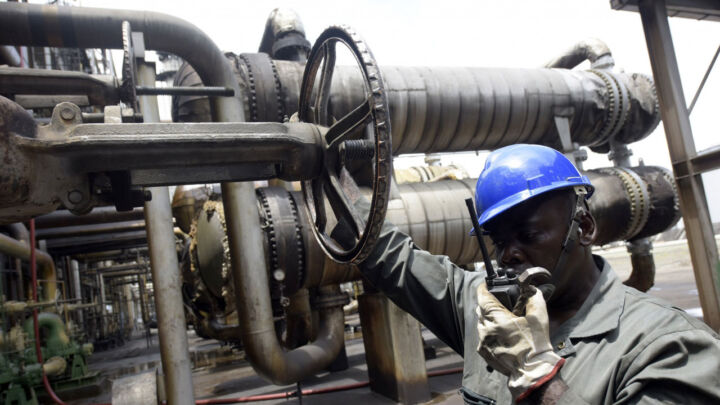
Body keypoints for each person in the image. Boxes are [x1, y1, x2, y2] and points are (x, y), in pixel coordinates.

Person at [343, 144, 720, 404]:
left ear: (584, 228)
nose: (510, 255)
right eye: (498, 242)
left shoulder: (667, 348)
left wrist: (535, 375)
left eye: (528, 235)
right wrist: (326, 177)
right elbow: (395, 259)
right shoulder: (487, 309)